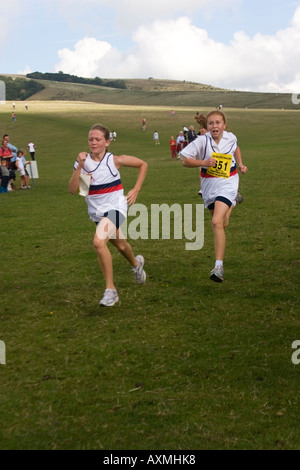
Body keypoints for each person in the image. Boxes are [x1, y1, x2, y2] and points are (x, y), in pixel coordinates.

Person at [69, 123, 148, 307]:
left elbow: (143, 164)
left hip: (116, 208)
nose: (93, 142)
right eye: (91, 139)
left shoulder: (114, 161)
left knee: (98, 242)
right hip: (97, 214)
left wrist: (135, 190)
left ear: (107, 142)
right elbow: (75, 190)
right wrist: (80, 166)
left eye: (98, 139)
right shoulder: (83, 162)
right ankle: (137, 265)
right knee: (120, 246)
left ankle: (110, 291)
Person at [181, 110, 248, 283]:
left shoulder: (230, 137)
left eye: (218, 123)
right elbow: (185, 160)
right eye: (211, 123)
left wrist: (240, 163)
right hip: (209, 186)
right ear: (207, 126)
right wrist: (203, 162)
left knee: (216, 222)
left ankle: (218, 267)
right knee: (223, 223)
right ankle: (233, 202)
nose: (215, 126)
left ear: (224, 125)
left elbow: (236, 147)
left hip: (228, 181)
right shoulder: (202, 141)